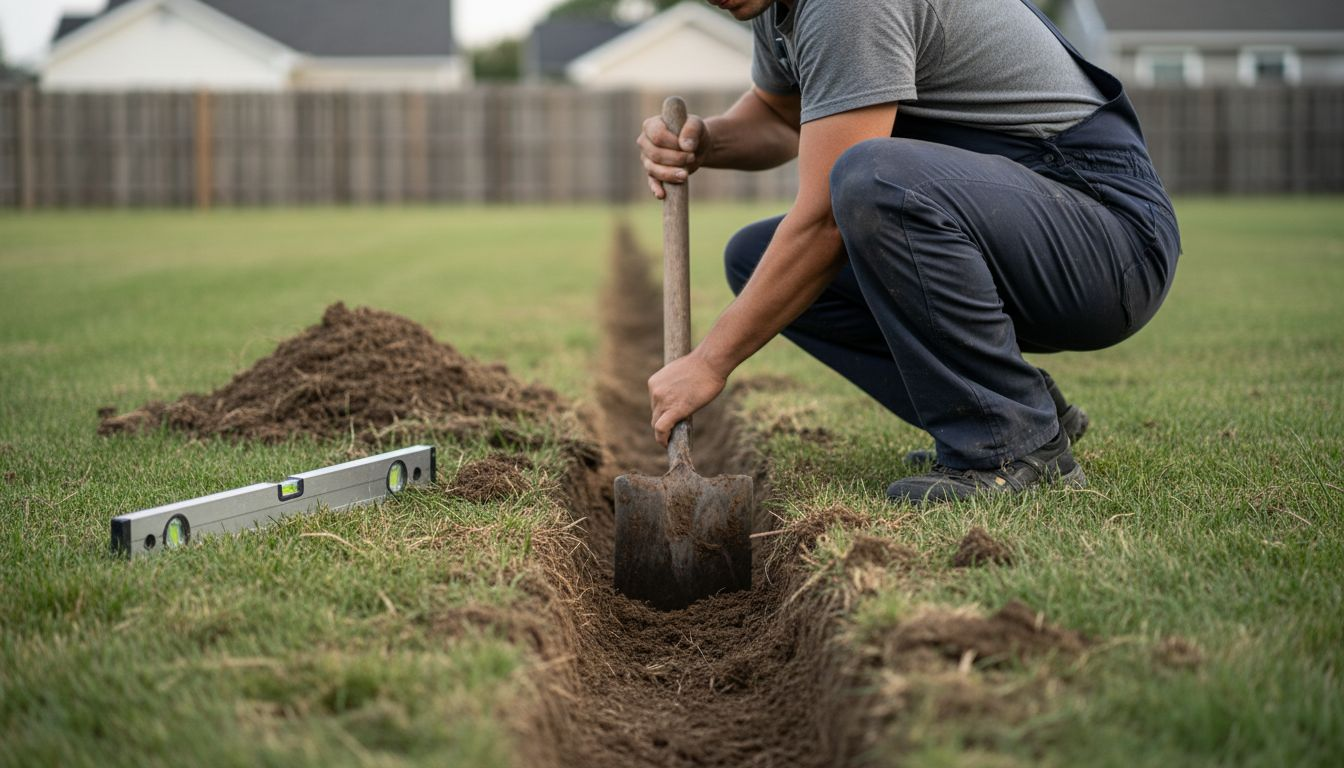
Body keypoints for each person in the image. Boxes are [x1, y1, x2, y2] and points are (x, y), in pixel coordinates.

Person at [636, 0, 1181, 505]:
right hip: (1021, 228)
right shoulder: (773, 6)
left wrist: (708, 362)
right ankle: (1020, 406)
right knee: (755, 257)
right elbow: (783, 121)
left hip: (1109, 239)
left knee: (872, 177)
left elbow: (826, 217)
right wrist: (707, 141)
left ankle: (1011, 444)